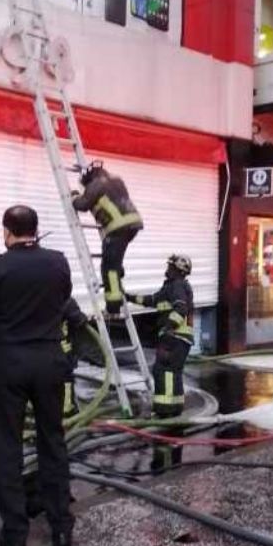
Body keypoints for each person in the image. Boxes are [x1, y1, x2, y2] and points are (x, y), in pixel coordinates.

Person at [0, 205, 74, 546]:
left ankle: (16, 535)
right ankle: (62, 528)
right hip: (50, 360)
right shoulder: (58, 263)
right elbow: (62, 300)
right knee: (53, 442)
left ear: (7, 230)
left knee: (7, 447)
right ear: (35, 230)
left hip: (9, 361)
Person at [71, 161, 143, 315]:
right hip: (131, 224)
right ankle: (118, 277)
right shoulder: (117, 181)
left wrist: (74, 197)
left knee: (109, 268)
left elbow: (83, 205)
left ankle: (113, 307)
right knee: (115, 261)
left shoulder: (96, 184)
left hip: (117, 228)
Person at [127, 254, 194, 418]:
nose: (167, 269)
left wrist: (168, 329)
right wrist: (128, 297)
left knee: (164, 371)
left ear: (177, 270)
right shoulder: (171, 287)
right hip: (179, 337)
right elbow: (151, 300)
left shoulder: (177, 285)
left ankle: (166, 411)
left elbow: (181, 309)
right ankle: (174, 408)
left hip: (175, 337)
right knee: (172, 371)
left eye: (170, 266)